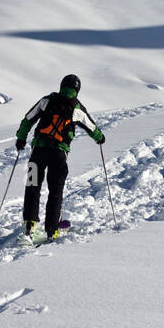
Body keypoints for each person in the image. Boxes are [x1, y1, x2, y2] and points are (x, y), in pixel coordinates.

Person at [14, 74, 105, 239]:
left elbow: (28, 119)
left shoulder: (47, 100)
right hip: (58, 155)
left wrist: (21, 138)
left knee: (32, 187)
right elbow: (92, 128)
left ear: (61, 85)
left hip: (38, 153)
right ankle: (52, 230)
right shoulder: (76, 108)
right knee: (55, 192)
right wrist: (100, 139)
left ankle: (29, 226)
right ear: (77, 90)